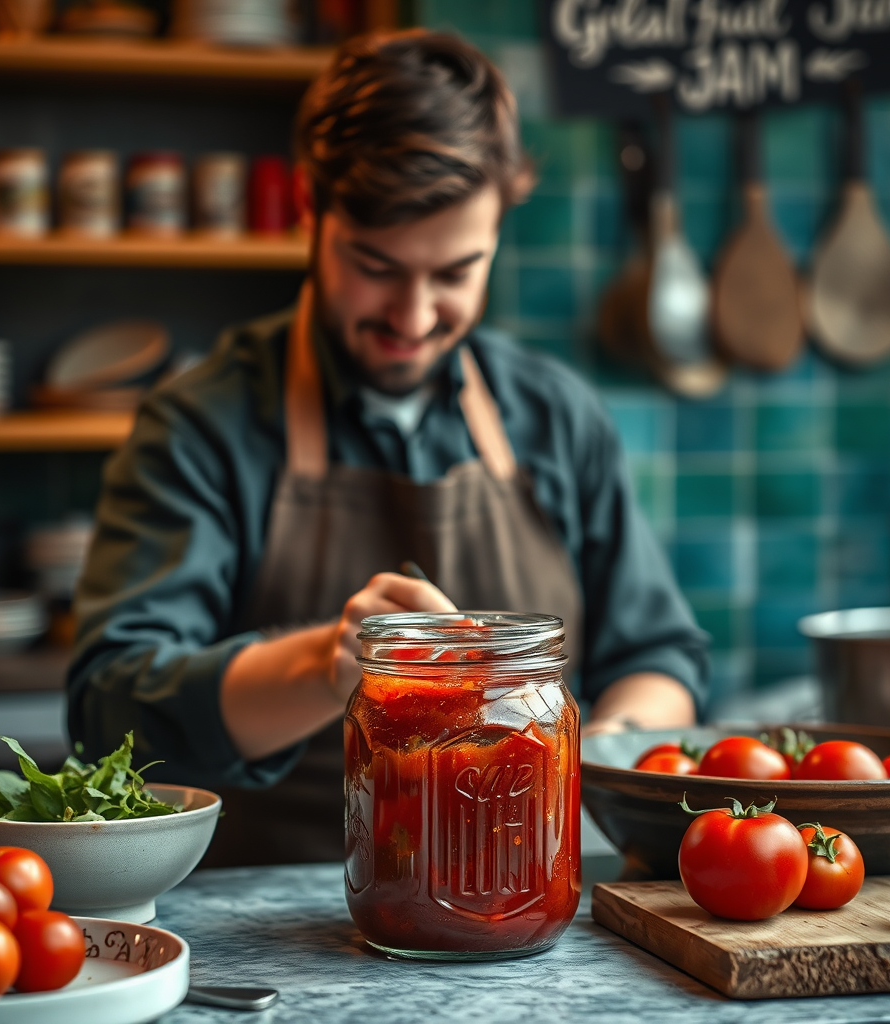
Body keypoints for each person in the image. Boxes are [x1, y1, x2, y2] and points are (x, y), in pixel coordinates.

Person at [68, 29, 708, 866]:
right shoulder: (202, 424)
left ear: (499, 231)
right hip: (275, 926)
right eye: (375, 265)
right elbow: (110, 705)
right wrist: (326, 668)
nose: (412, 317)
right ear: (310, 208)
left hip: (532, 897)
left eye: (454, 273)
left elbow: (661, 655)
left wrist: (586, 746)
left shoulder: (556, 415)